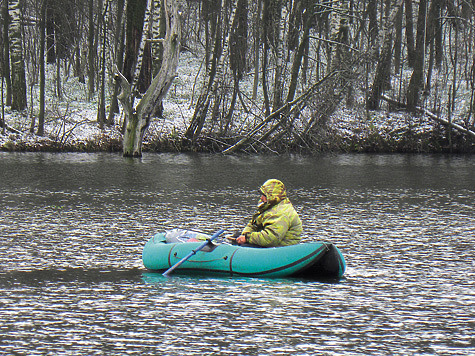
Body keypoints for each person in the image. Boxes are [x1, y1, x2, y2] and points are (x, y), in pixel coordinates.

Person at [236, 179, 302, 247]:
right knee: (237, 236)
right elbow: (254, 224)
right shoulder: (269, 206)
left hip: (282, 249)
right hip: (269, 245)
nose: (261, 198)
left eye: (264, 195)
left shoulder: (282, 213)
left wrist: (247, 238)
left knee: (246, 247)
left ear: (272, 196)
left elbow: (271, 238)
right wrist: (244, 234)